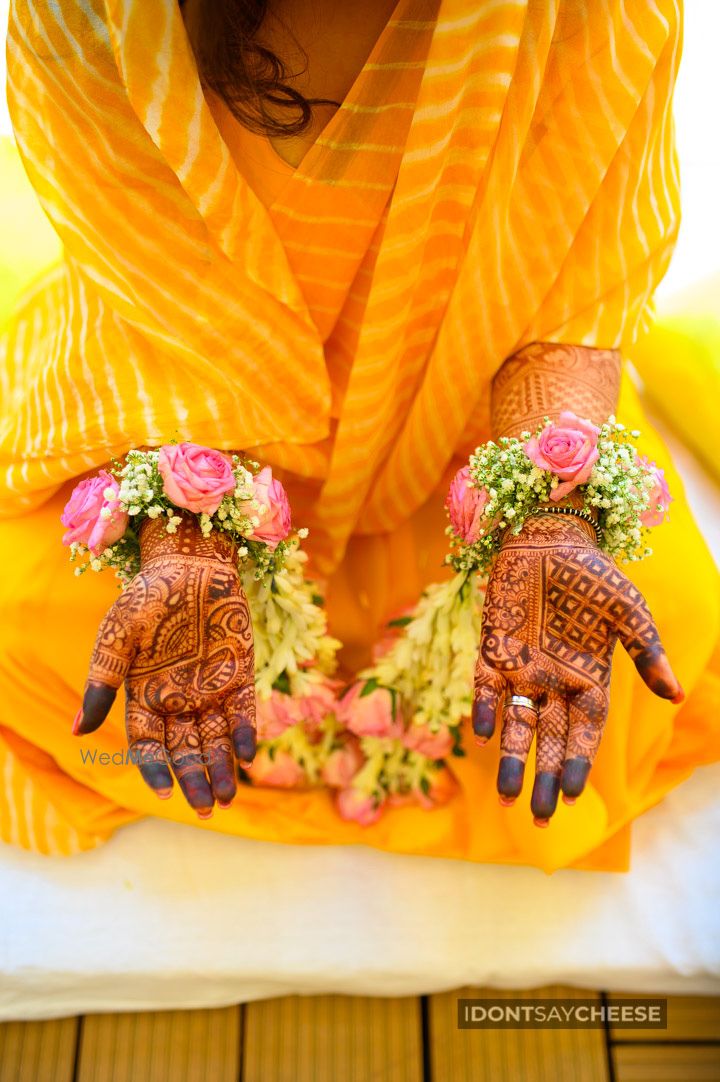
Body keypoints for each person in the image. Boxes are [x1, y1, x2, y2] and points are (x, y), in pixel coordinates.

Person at [0, 0, 717, 871]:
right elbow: (152, 309)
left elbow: (576, 293)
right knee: (38, 619)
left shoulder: (605, 12)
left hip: (466, 438)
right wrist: (181, 533)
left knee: (650, 632)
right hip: (171, 420)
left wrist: (545, 519)